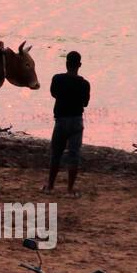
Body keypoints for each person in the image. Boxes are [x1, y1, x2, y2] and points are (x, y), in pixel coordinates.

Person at [44, 51, 90, 195]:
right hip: (76, 122)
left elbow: (54, 93)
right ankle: (70, 189)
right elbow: (85, 103)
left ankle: (50, 187)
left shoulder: (57, 79)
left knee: (56, 154)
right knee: (74, 155)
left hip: (61, 121)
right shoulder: (84, 84)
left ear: (66, 64)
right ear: (79, 65)